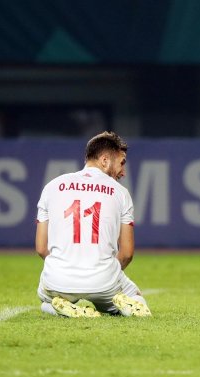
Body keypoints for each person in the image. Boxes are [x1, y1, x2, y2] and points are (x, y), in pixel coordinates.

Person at [35, 131, 151, 318]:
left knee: (46, 300)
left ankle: (57, 307)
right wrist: (100, 272)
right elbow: (127, 253)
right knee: (135, 296)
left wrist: (66, 266)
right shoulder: (121, 193)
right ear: (105, 160)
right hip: (104, 280)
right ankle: (127, 305)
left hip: (58, 277)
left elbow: (41, 248)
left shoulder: (52, 187)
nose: (123, 171)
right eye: (122, 163)